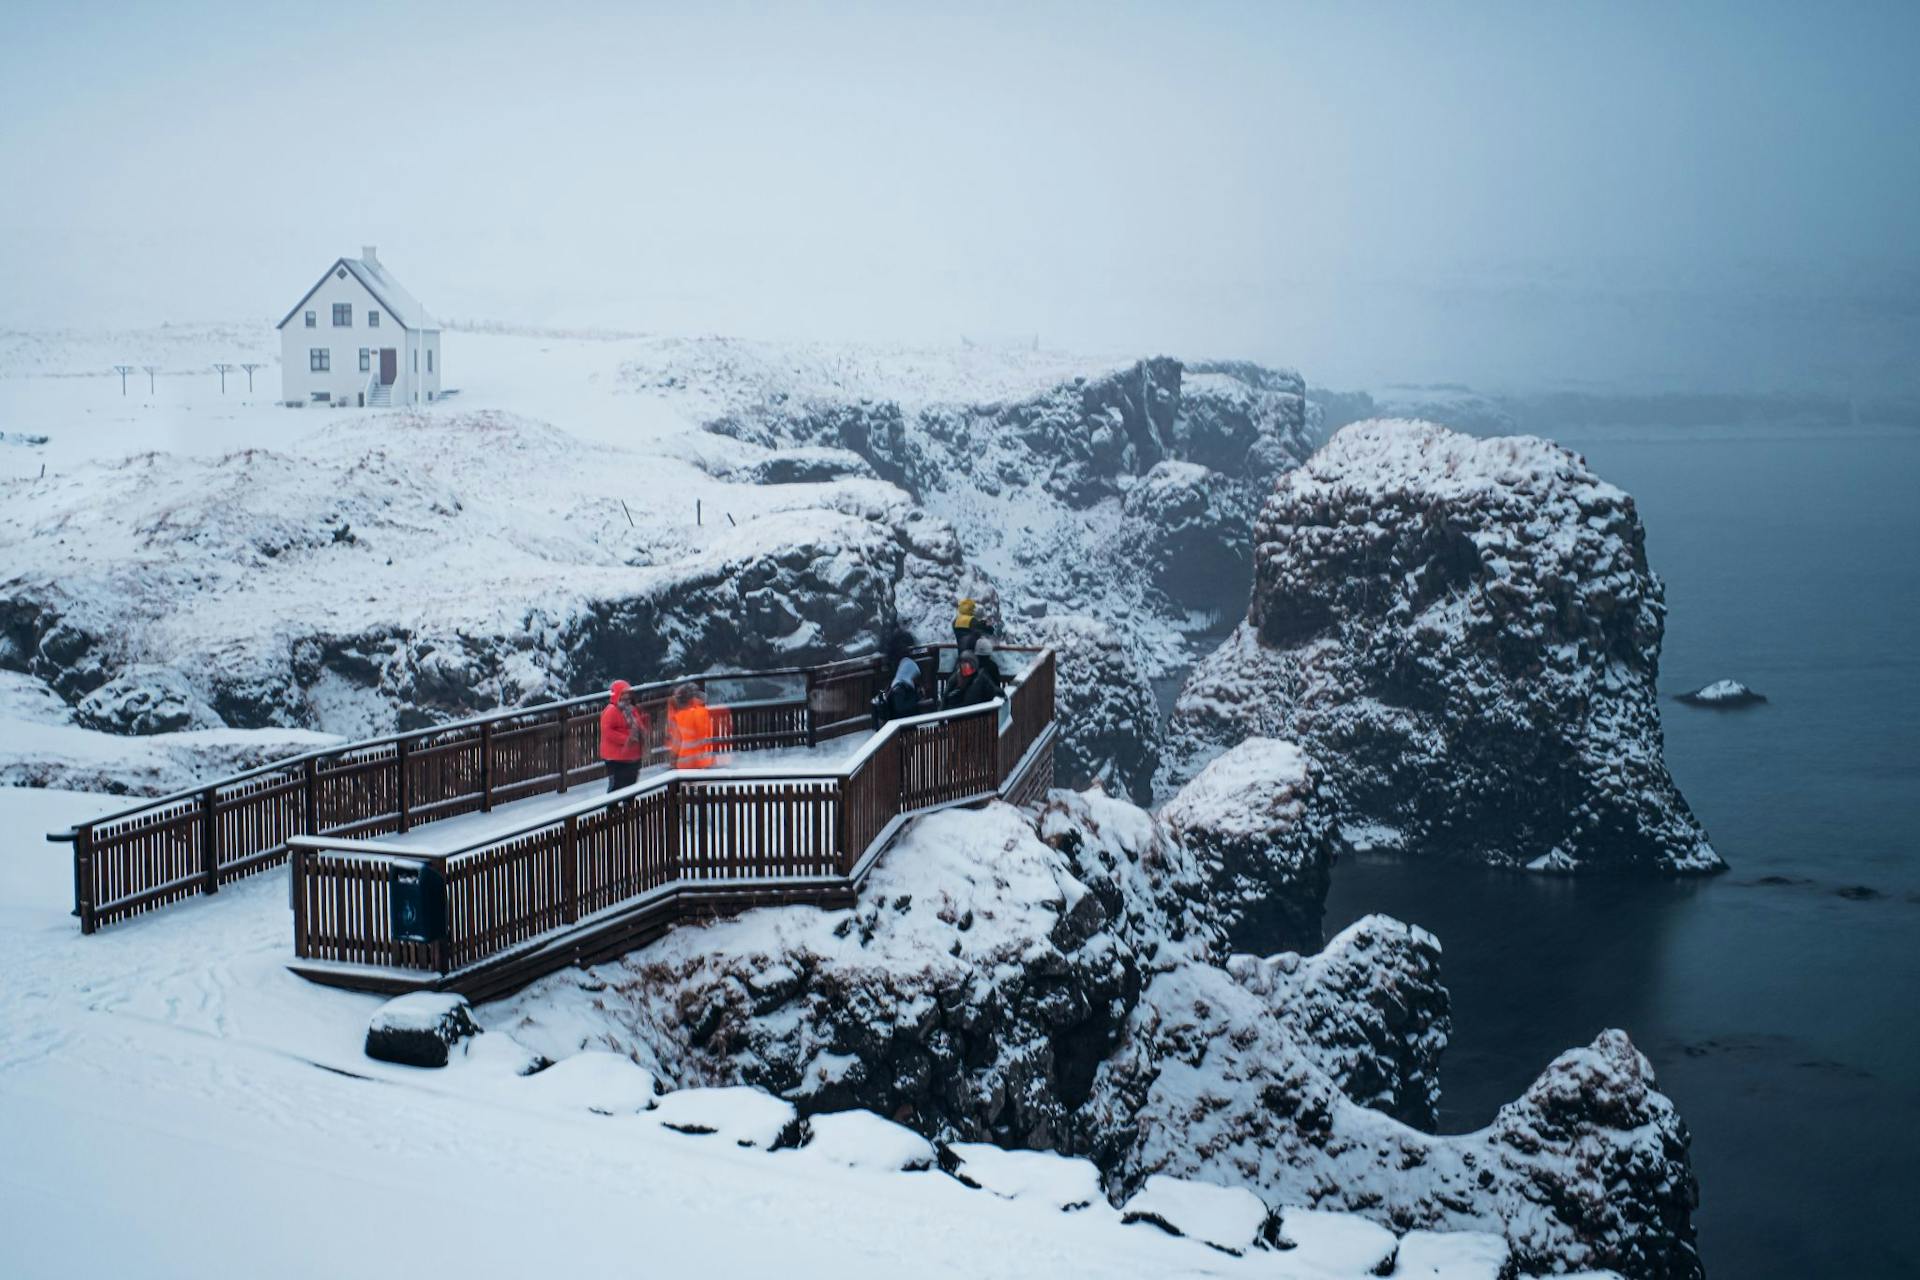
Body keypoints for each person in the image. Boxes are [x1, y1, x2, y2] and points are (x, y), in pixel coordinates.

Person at [599, 680, 649, 792]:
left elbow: (639, 725)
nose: (627, 698)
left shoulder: (632, 709)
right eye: (623, 695)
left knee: (631, 784)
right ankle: (614, 804)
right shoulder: (611, 711)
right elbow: (607, 731)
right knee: (616, 786)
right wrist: (627, 739)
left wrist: (642, 730)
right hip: (615, 757)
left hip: (632, 755)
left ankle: (628, 803)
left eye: (628, 695)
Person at [667, 682, 716, 769]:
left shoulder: (678, 717)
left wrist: (673, 761)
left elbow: (676, 742)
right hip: (704, 761)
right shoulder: (703, 712)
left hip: (685, 763)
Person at [873, 656, 922, 728]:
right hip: (900, 727)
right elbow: (901, 708)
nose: (914, 678)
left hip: (904, 725)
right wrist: (916, 697)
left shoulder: (902, 685)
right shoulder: (899, 689)